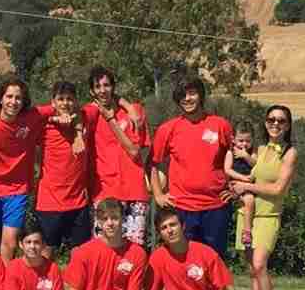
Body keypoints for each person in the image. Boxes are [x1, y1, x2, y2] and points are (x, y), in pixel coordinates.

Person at [229, 105, 298, 290]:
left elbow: (278, 189)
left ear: (288, 125)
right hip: (246, 215)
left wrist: (246, 186)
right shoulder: (259, 149)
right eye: (271, 119)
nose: (275, 124)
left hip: (268, 217)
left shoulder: (289, 152)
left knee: (260, 265)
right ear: (266, 122)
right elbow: (245, 173)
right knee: (252, 270)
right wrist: (235, 188)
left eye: (281, 121)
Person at [151, 78, 233, 258]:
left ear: (201, 95)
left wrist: (234, 189)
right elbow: (154, 164)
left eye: (192, 93)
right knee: (184, 262)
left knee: (213, 261)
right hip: (181, 208)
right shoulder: (168, 129)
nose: (187, 99)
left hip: (216, 207)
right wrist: (158, 194)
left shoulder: (221, 125)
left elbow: (236, 158)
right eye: (182, 95)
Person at [0, 77, 45, 262]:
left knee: (10, 242)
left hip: (17, 190)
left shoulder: (32, 117)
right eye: (9, 96)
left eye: (18, 98)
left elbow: (60, 106)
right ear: (1, 98)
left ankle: (7, 286)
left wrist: (75, 128)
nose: (13, 102)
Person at [83, 67, 152, 246]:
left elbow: (135, 151)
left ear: (114, 87)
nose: (102, 90)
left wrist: (118, 112)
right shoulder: (90, 114)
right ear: (92, 91)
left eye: (106, 85)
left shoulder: (134, 111)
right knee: (104, 248)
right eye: (97, 86)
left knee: (135, 249)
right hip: (104, 191)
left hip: (134, 190)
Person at [32, 81, 93, 259]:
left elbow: (99, 106)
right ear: (53, 101)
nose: (65, 103)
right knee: (46, 253)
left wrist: (78, 132)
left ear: (76, 101)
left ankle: (76, 287)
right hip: (50, 201)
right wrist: (53, 117)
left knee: (80, 255)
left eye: (69, 99)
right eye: (60, 99)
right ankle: (42, 286)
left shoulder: (83, 118)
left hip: (78, 201)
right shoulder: (43, 124)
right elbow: (31, 113)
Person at [224, 120, 258, 250]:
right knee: (249, 200)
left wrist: (245, 156)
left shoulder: (252, 152)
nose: (244, 144)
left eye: (248, 141)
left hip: (248, 185)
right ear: (233, 139)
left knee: (250, 200)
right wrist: (242, 178)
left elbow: (256, 165)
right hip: (234, 183)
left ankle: (246, 231)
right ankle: (247, 231)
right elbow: (227, 170)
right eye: (241, 141)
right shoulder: (230, 152)